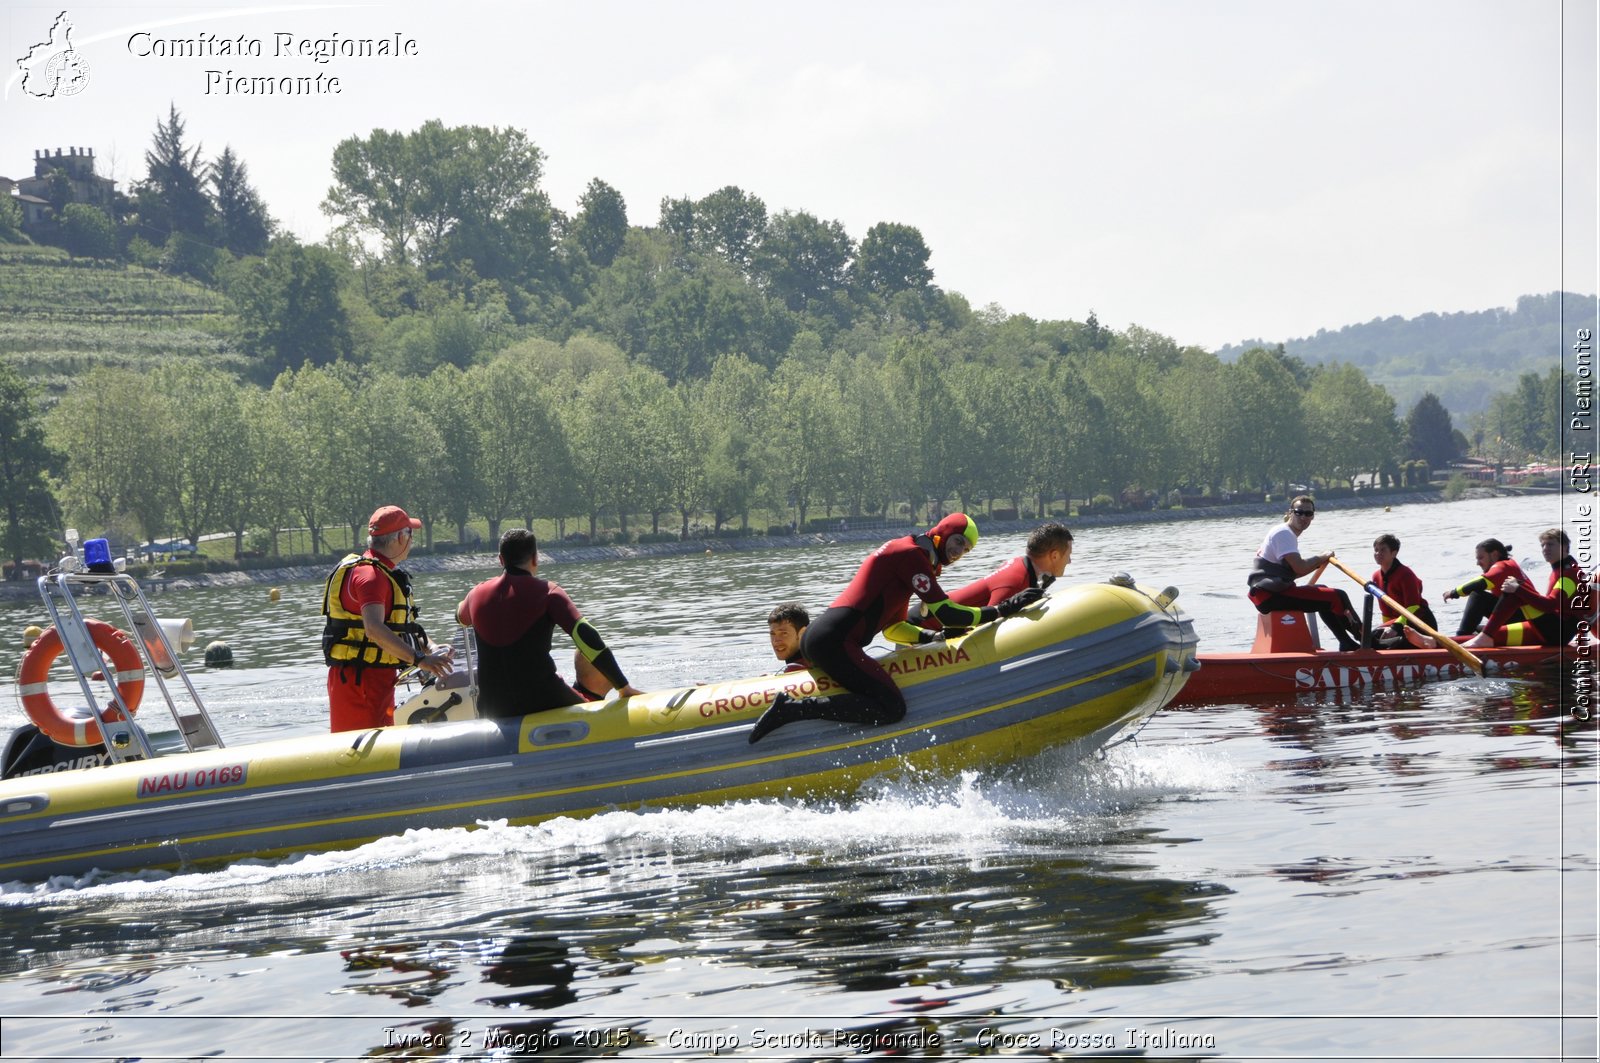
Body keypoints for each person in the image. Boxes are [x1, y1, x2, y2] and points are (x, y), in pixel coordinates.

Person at [748, 513, 1042, 743]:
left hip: (825, 639)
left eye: (965, 550)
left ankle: (796, 709)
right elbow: (948, 611)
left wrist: (933, 636)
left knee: (880, 697)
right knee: (892, 707)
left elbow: (894, 629)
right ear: (942, 533)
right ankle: (793, 709)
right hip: (833, 642)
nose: (958, 553)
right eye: (957, 543)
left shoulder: (912, 558)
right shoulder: (910, 555)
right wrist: (1001, 609)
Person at [456, 528, 644, 718]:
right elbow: (587, 636)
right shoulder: (549, 593)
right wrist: (623, 687)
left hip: (492, 708)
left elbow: (460, 617)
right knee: (584, 653)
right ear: (535, 558)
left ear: (501, 560)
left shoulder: (475, 595)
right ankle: (594, 702)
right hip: (544, 700)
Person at [321, 505, 453, 732]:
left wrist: (431, 648)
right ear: (400, 537)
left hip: (376, 680)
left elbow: (401, 627)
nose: (412, 541)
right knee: (361, 749)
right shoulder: (370, 577)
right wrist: (420, 660)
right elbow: (374, 629)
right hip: (359, 682)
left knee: (381, 740)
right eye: (410, 534)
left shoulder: (383, 572)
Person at [1246, 496, 1364, 652]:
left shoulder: (1283, 532)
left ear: (1313, 516)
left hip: (1269, 594)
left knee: (1322, 590)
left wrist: (1316, 563)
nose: (1303, 517)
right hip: (1271, 596)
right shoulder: (1284, 533)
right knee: (1337, 596)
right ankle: (1367, 641)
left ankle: (1346, 642)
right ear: (1290, 513)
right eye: (1299, 512)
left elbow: (1293, 572)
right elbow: (1300, 568)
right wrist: (1323, 556)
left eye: (1308, 514)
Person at [913, 522, 1073, 633]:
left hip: (927, 615)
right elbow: (985, 626)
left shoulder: (1022, 566)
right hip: (921, 625)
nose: (1070, 561)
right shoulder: (1015, 581)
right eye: (1069, 555)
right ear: (1055, 555)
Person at [1462, 528, 1582, 648]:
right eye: (1543, 545)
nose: (1545, 549)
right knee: (1486, 635)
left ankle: (1485, 637)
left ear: (1565, 546)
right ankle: (1470, 639)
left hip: (1558, 633)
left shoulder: (1569, 574)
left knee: (1515, 592)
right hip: (1550, 629)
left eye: (1550, 544)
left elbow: (1550, 605)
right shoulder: (1560, 569)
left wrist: (1518, 589)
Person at [1403, 537, 1528, 648]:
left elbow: (1480, 583)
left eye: (1481, 558)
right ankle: (1462, 638)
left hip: (1526, 622)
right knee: (1477, 625)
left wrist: (1454, 592)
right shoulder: (1509, 565)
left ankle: (1457, 639)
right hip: (1517, 617)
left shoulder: (1503, 565)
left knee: (1478, 596)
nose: (1477, 563)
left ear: (1495, 555)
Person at [1367, 533, 1438, 648]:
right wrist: (1386, 627)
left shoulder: (1406, 574)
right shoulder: (1376, 576)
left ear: (1394, 553)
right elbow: (1385, 610)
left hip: (1419, 623)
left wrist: (1395, 628)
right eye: (1376, 550)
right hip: (1397, 623)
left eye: (1383, 550)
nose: (1378, 553)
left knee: (1382, 641)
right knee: (1373, 636)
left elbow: (1413, 606)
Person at [767, 602, 811, 672]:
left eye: (784, 633)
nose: (776, 640)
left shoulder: (796, 669)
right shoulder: (818, 660)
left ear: (802, 633)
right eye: (772, 634)